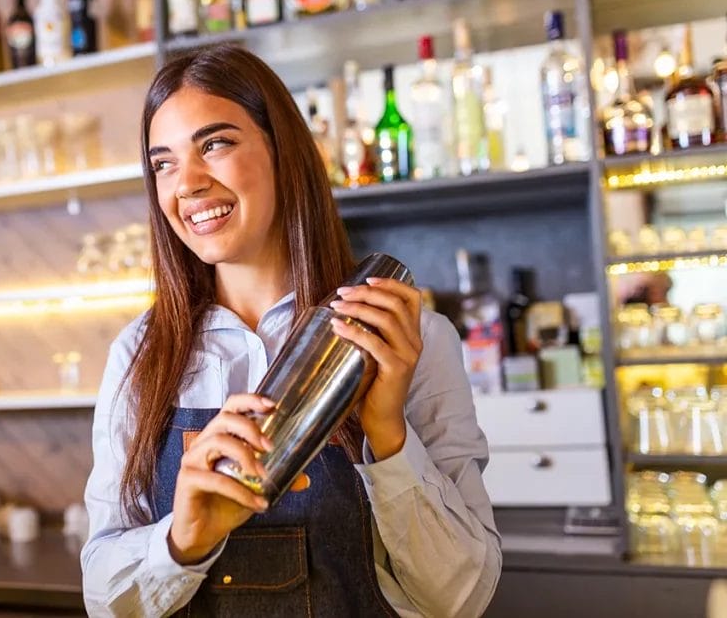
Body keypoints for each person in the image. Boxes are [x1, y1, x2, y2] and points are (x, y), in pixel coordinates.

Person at [81, 45, 501, 617]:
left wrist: (386, 432)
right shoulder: (140, 353)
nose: (188, 184)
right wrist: (183, 541)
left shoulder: (410, 339)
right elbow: (102, 598)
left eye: (215, 144)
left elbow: (463, 598)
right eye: (163, 163)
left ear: (284, 152)